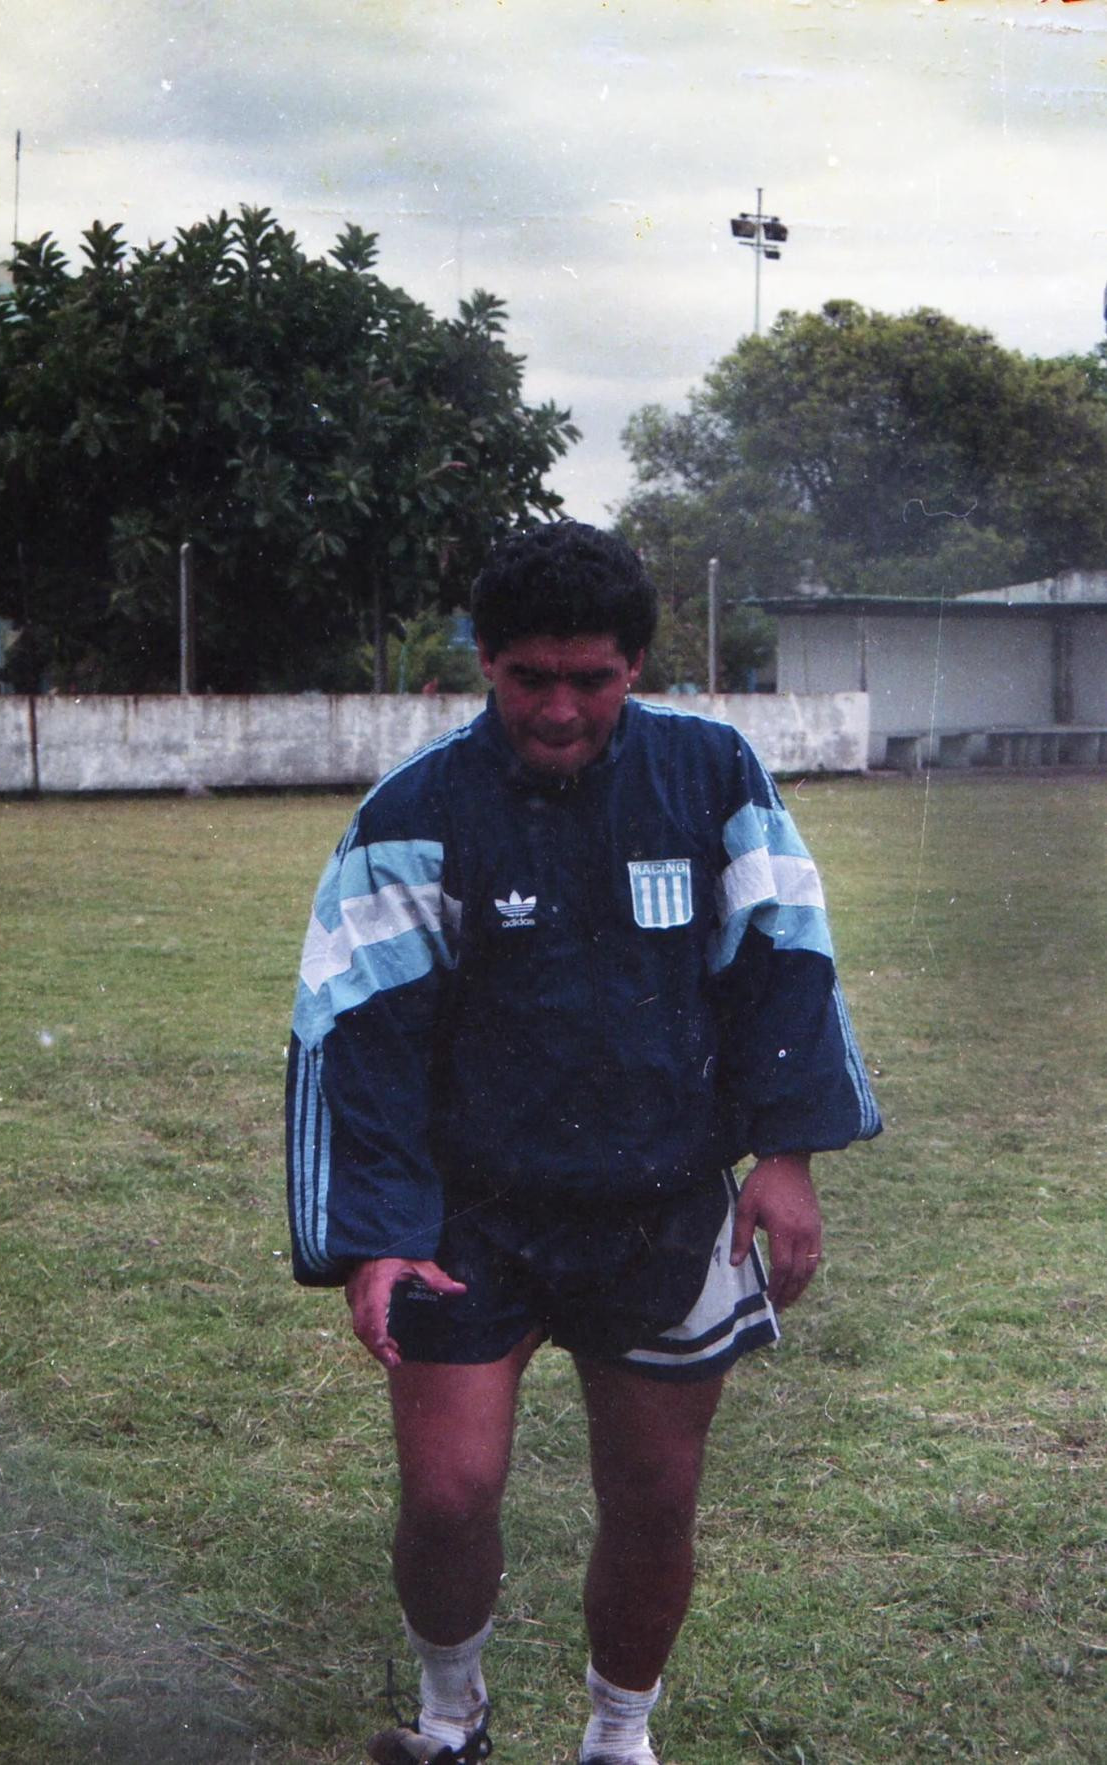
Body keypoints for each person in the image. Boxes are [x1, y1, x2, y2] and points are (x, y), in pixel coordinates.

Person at [285, 521, 881, 1765]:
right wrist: (375, 1237)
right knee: (449, 1494)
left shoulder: (712, 775)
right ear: (486, 666)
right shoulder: (415, 812)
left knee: (656, 1496)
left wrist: (785, 1156)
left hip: (662, 1205)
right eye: (530, 679)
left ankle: (620, 1737)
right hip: (469, 1212)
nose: (560, 708)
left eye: (592, 679)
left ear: (636, 667)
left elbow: (789, 959)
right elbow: (357, 1032)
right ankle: (452, 1718)